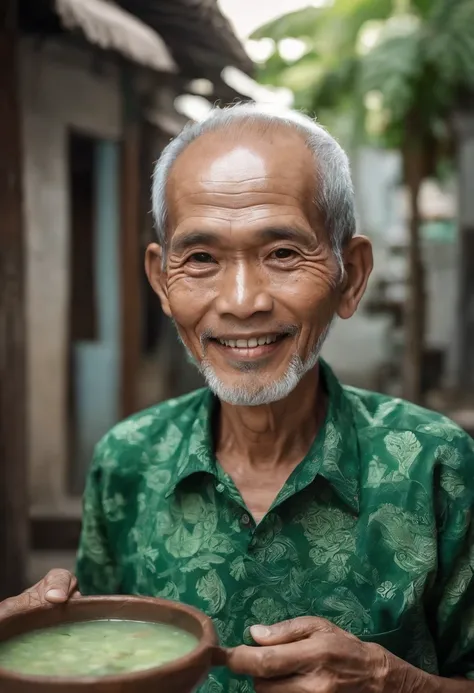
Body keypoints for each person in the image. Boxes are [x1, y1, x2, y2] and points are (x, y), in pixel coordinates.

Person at [2, 104, 474, 693]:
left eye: (282, 253)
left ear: (349, 275)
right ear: (162, 282)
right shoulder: (128, 459)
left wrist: (395, 682)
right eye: (201, 258)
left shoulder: (437, 464)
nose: (243, 300)